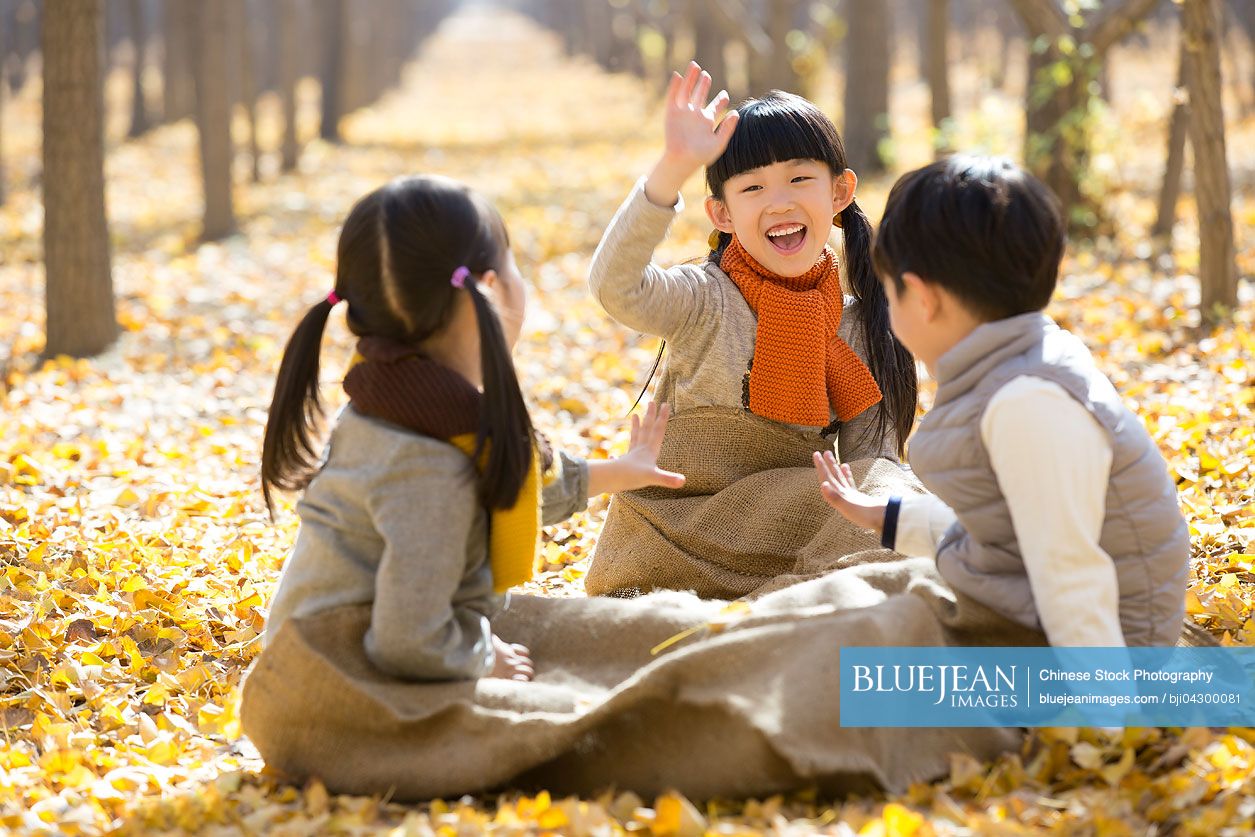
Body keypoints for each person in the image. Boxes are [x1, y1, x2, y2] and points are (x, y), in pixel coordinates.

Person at [253, 174, 685, 684]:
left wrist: (621, 471)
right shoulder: (428, 465)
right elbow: (409, 640)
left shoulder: (404, 403)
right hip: (338, 687)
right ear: (489, 289)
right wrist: (483, 659)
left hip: (329, 657)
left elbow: (511, 488)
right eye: (513, 262)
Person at [814, 155, 1189, 647]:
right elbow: (1006, 533)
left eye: (887, 293)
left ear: (921, 298)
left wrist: (1096, 719)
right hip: (1039, 618)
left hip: (1095, 658)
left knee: (845, 650)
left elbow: (1068, 574)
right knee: (846, 613)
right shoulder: (1015, 365)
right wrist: (883, 517)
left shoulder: (1027, 403)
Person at [584, 63, 919, 598]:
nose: (779, 200)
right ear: (721, 213)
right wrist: (672, 169)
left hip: (782, 535)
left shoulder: (863, 324)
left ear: (839, 193)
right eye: (754, 186)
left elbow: (869, 466)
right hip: (670, 541)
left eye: (799, 178)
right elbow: (614, 287)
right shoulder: (704, 298)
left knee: (891, 496)